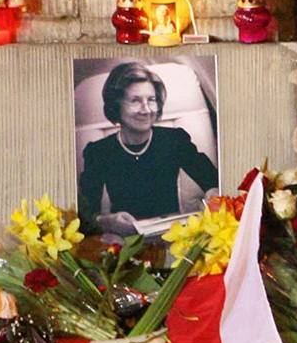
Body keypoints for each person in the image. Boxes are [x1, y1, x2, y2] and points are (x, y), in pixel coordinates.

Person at [78, 61, 218, 237]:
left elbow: (213, 181)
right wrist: (106, 221)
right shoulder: (99, 152)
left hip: (172, 235)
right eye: (135, 100)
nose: (146, 110)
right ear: (116, 106)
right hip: (125, 241)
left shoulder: (174, 140)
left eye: (151, 100)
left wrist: (213, 193)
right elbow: (85, 215)